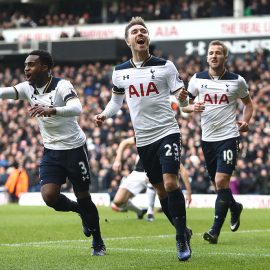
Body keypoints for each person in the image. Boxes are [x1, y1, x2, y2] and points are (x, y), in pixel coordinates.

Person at [94, 17, 191, 261]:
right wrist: (104, 115)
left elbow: (182, 99)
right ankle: (183, 230)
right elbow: (116, 102)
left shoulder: (166, 66)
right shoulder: (119, 72)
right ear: (128, 41)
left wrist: (185, 98)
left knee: (170, 183)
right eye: (135, 31)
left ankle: (180, 238)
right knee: (159, 188)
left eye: (143, 31)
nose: (140, 34)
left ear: (147, 38)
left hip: (167, 131)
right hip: (144, 138)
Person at [0, 50, 106, 256]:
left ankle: (98, 241)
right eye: (25, 65)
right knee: (49, 197)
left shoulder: (62, 85)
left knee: (83, 196)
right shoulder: (26, 88)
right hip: (51, 151)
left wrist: (52, 109)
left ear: (45, 67)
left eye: (31, 65)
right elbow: (3, 91)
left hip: (75, 149)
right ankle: (79, 211)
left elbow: (77, 107)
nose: (26, 68)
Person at [181, 40, 253, 244]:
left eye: (218, 53)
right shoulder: (197, 79)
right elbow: (183, 105)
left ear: (225, 57)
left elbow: (248, 105)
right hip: (207, 140)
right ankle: (234, 207)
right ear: (207, 57)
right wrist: (191, 108)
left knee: (222, 181)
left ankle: (214, 231)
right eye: (211, 53)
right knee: (218, 186)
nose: (214, 56)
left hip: (229, 137)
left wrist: (246, 122)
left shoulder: (237, 81)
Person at [112, 136, 192, 222]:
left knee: (152, 178)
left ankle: (150, 212)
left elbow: (182, 170)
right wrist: (117, 160)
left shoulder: (165, 141)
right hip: (138, 172)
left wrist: (189, 192)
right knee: (118, 201)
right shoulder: (144, 135)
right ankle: (140, 212)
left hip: (154, 172)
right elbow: (124, 142)